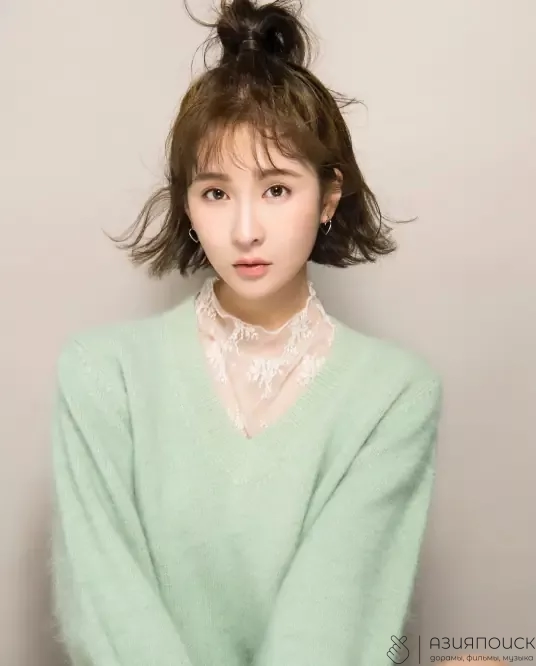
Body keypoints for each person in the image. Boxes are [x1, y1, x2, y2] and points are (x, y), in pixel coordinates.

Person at [50, 0, 443, 664]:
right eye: (216, 193)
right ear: (186, 204)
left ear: (330, 195)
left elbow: (333, 625)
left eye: (277, 189)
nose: (245, 230)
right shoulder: (103, 375)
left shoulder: (393, 396)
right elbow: (108, 605)